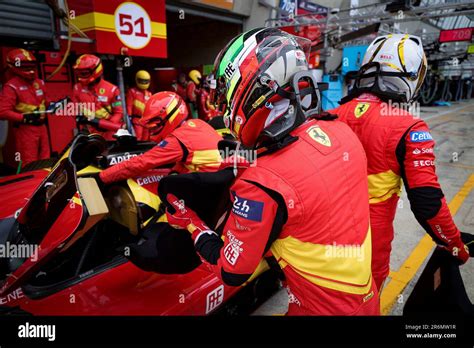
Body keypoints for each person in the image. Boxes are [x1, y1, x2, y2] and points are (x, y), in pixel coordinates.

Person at [165, 28, 379, 316]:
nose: (226, 110)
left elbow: (232, 271)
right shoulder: (342, 132)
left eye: (227, 98)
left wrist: (193, 224)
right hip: (368, 299)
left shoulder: (260, 185)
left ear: (250, 89)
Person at [328, 34, 470, 291]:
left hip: (315, 246)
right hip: (367, 252)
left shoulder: (328, 117)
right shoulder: (409, 127)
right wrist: (454, 245)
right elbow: (427, 202)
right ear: (412, 76)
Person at [98, 91, 222, 184]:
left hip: (211, 190)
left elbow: (140, 163)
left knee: (164, 192)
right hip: (223, 183)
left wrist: (101, 177)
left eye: (155, 125)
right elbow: (188, 159)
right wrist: (175, 171)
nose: (152, 130)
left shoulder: (178, 139)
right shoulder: (198, 123)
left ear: (172, 116)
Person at [0, 48, 50, 167]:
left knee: (46, 160)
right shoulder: (11, 86)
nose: (30, 70)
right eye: (25, 66)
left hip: (42, 127)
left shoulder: (39, 82)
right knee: (29, 163)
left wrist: (56, 105)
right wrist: (24, 118)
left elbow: (46, 102)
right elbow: (2, 112)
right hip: (25, 130)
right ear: (14, 67)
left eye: (31, 65)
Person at [72, 54, 123, 140]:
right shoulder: (77, 88)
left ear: (96, 71)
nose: (80, 77)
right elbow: (74, 109)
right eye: (79, 73)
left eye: (84, 73)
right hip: (87, 133)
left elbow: (118, 112)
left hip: (108, 133)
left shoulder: (112, 90)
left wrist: (107, 125)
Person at [127, 70, 152, 141]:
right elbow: (129, 105)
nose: (144, 83)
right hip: (136, 120)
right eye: (142, 81)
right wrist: (129, 117)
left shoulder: (149, 93)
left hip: (147, 121)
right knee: (138, 138)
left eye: (145, 81)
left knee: (146, 139)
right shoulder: (132, 91)